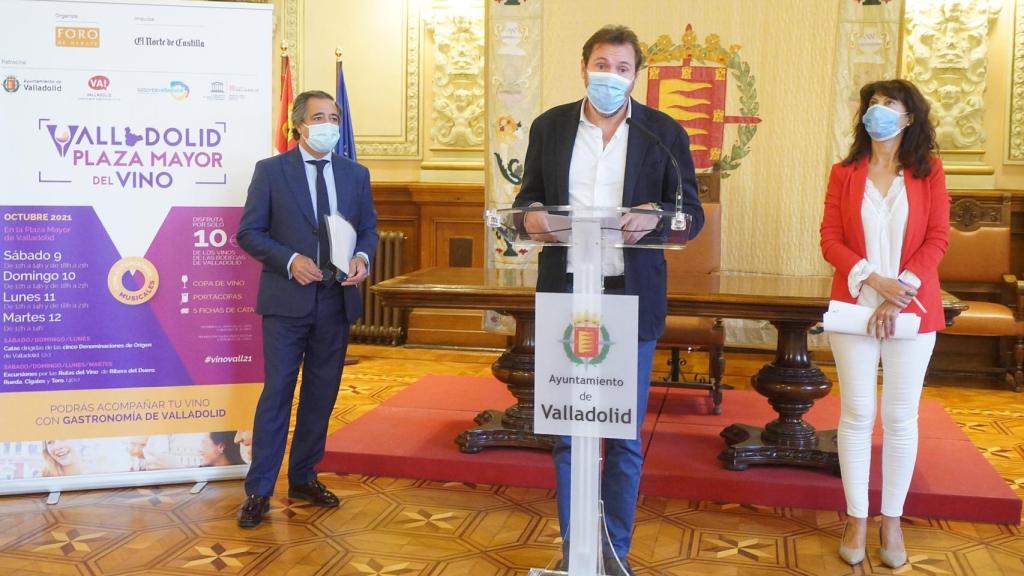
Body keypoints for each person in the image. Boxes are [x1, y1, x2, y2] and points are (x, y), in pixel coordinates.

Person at [513, 25, 703, 574]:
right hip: (566, 297)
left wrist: (656, 217)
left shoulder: (663, 133)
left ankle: (615, 553)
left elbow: (690, 213)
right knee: (569, 432)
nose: (610, 77)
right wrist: (531, 216)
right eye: (602, 64)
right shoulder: (550, 127)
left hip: (629, 301)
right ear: (583, 67)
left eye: (622, 69)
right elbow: (528, 198)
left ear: (634, 76)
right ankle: (577, 553)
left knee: (620, 434)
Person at [819, 78, 949, 569]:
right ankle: (856, 515)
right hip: (854, 306)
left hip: (912, 311)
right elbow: (829, 238)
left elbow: (937, 237)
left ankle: (891, 519)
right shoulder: (844, 172)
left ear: (909, 117)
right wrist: (873, 279)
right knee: (855, 414)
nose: (878, 111)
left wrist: (901, 291)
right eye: (872, 104)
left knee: (899, 418)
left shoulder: (929, 171)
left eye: (888, 104)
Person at [236, 89, 378, 528]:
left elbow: (369, 230)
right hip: (286, 301)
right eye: (320, 116)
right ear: (299, 125)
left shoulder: (355, 174)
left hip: (336, 301)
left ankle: (303, 477)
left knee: (321, 395)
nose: (330, 124)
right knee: (277, 394)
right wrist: (290, 260)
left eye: (334, 116)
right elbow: (249, 232)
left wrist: (363, 259)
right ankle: (259, 490)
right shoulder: (271, 172)